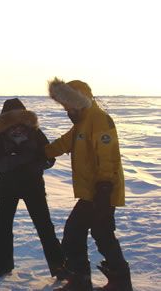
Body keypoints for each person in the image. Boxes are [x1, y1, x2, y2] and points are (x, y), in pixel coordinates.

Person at [46, 78, 132, 291]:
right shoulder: (83, 123)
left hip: (101, 192)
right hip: (92, 193)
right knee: (101, 234)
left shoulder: (99, 120)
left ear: (78, 101)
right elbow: (63, 144)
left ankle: (83, 281)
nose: (66, 110)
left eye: (68, 105)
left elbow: (108, 157)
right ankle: (116, 281)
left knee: (75, 233)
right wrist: (40, 152)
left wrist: (104, 189)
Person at [0, 98, 67, 279]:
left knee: (44, 226)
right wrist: (23, 158)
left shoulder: (35, 133)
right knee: (3, 228)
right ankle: (2, 266)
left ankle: (60, 267)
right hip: (8, 187)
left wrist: (30, 164)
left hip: (33, 186)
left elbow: (49, 158)